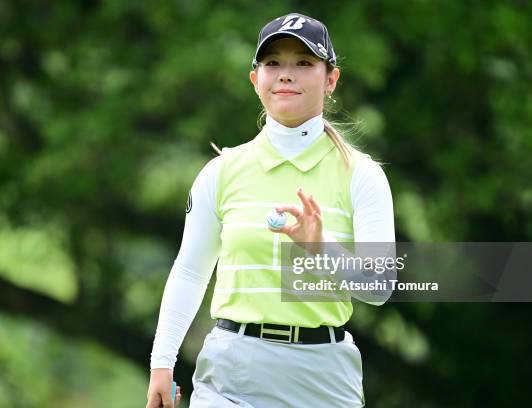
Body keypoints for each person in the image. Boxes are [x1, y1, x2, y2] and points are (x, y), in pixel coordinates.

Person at [146, 12, 395, 408]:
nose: (286, 74)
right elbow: (191, 271)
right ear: (255, 79)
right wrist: (162, 362)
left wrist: (321, 249)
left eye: (304, 63)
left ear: (331, 80)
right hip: (230, 374)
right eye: (273, 63)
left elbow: (379, 288)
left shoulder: (361, 175)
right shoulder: (221, 172)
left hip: (323, 378)